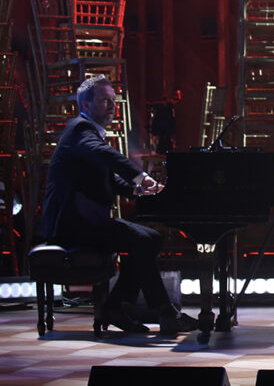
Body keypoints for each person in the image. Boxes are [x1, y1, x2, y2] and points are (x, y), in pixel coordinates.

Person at [41, 75, 198, 334]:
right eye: (104, 100)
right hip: (70, 225)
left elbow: (107, 179)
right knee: (146, 240)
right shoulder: (80, 129)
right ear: (87, 105)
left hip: (84, 221)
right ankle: (161, 312)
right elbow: (105, 156)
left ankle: (121, 307)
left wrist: (139, 190)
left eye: (113, 101)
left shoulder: (87, 133)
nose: (112, 106)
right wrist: (142, 177)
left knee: (150, 239)